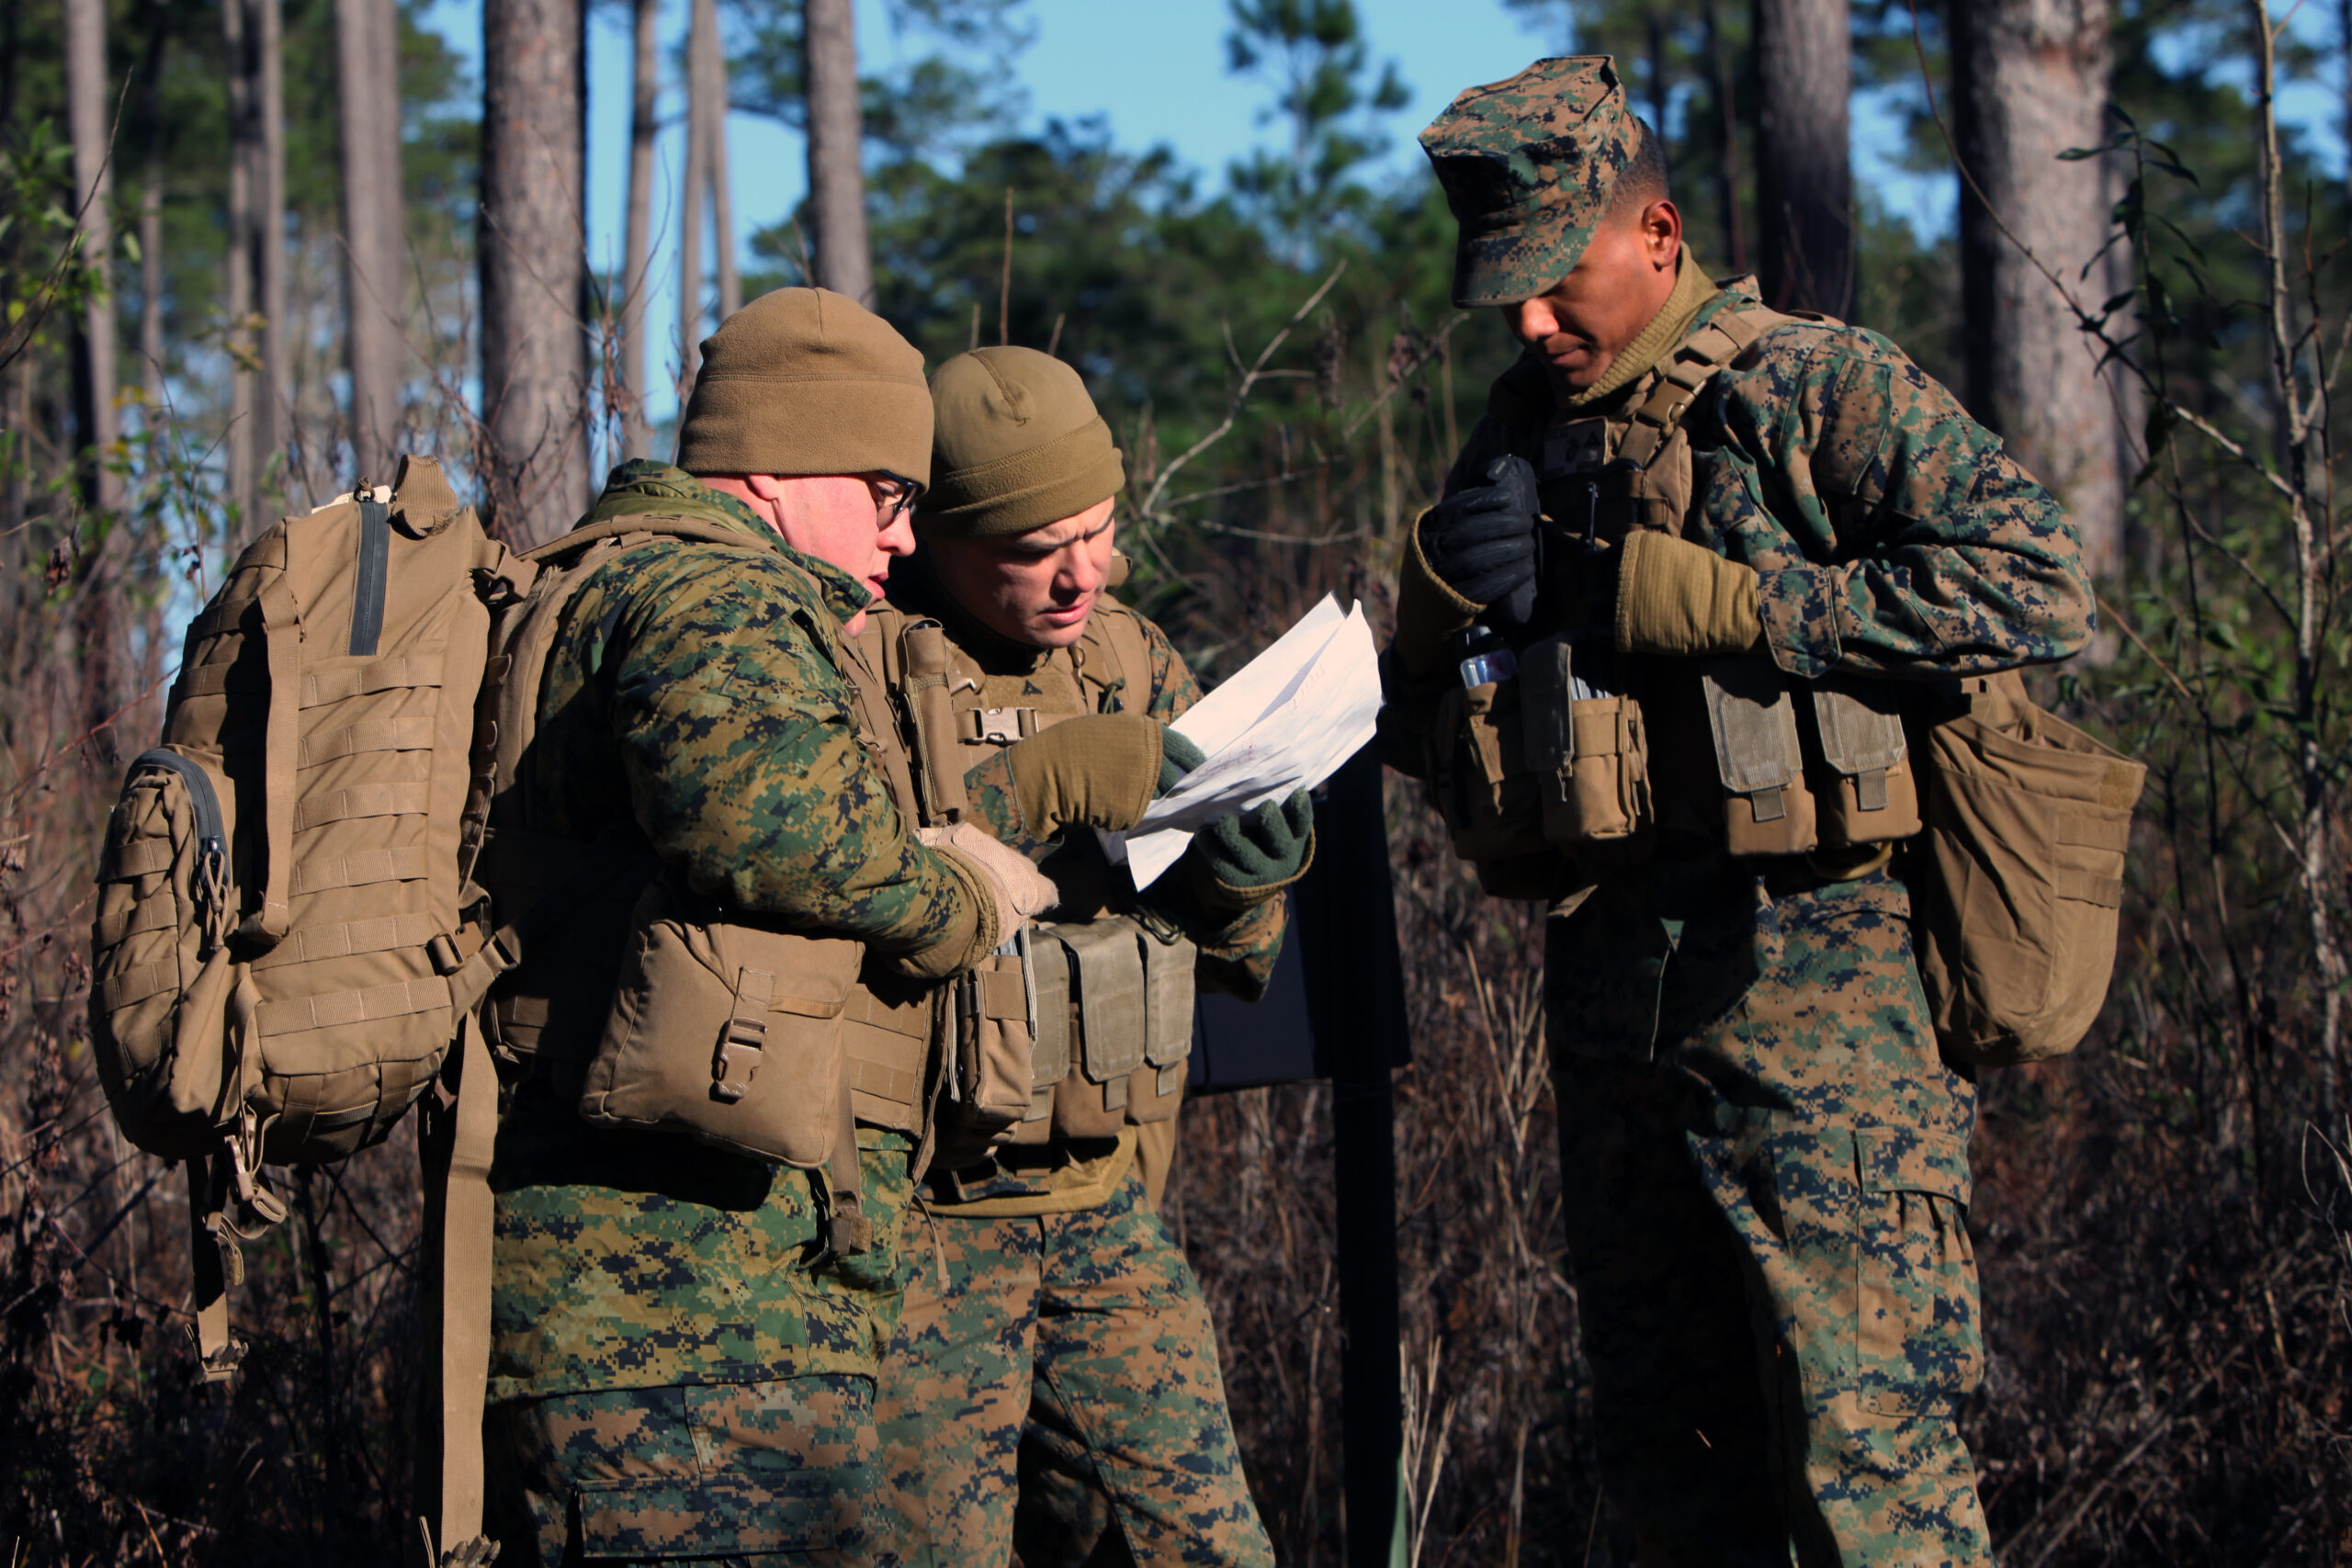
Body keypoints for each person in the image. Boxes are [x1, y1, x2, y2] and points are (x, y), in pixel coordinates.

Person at [1379, 59, 2096, 1567]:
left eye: (1556, 282)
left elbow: (2038, 583)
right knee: (1666, 1477)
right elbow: (1419, 730)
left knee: (1873, 1476)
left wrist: (1746, 607)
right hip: (1614, 1016)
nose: (1527, 323)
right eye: (1503, 292)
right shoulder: (1521, 431)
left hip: (1818, 1010)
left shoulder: (1810, 386)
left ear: (1658, 232)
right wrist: (1450, 599)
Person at [477, 288, 1170, 1565]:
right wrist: (954, 899)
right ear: (782, 468)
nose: (904, 542)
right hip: (680, 1318)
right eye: (889, 495)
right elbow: (768, 823)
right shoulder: (712, 594)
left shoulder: (597, 582)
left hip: (657, 1315)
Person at [865, 346, 1304, 1568]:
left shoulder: (1126, 656)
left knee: (1205, 1546)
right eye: (1032, 547)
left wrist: (1248, 878)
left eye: (1099, 531)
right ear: (937, 535)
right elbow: (837, 892)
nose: (1080, 574)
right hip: (922, 1231)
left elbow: (1226, 951)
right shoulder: (859, 661)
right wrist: (1034, 785)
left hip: (1104, 1205)